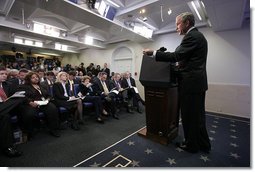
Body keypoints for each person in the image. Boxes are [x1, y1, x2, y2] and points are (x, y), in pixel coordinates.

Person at [143, 12, 211, 153]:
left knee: (189, 116)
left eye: (178, 24)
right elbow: (186, 59)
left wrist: (153, 53)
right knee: (197, 116)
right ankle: (203, 144)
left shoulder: (192, 36)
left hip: (190, 85)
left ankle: (191, 145)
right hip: (196, 84)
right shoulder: (198, 36)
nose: (176, 28)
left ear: (187, 23)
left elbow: (176, 56)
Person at [17, 72, 61, 137]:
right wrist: (30, 102)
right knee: (29, 114)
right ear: (29, 79)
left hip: (43, 103)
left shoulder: (42, 85)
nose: (36, 79)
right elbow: (22, 96)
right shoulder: (23, 86)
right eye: (33, 77)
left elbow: (49, 95)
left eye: (37, 77)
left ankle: (53, 129)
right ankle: (29, 131)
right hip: (31, 104)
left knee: (53, 108)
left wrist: (48, 100)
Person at [0, 66, 25, 157]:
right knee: (5, 116)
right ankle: (8, 147)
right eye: (2, 74)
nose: (4, 76)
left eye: (6, 74)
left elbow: (12, 98)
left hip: (6, 107)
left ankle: (8, 146)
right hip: (4, 108)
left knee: (19, 99)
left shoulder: (7, 84)